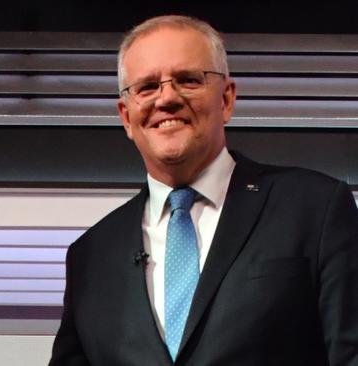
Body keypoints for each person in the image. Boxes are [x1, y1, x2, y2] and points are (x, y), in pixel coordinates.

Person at [49, 15, 358, 365]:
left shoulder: (315, 209)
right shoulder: (91, 257)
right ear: (126, 116)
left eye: (188, 80)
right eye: (147, 87)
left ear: (226, 99)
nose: (166, 98)